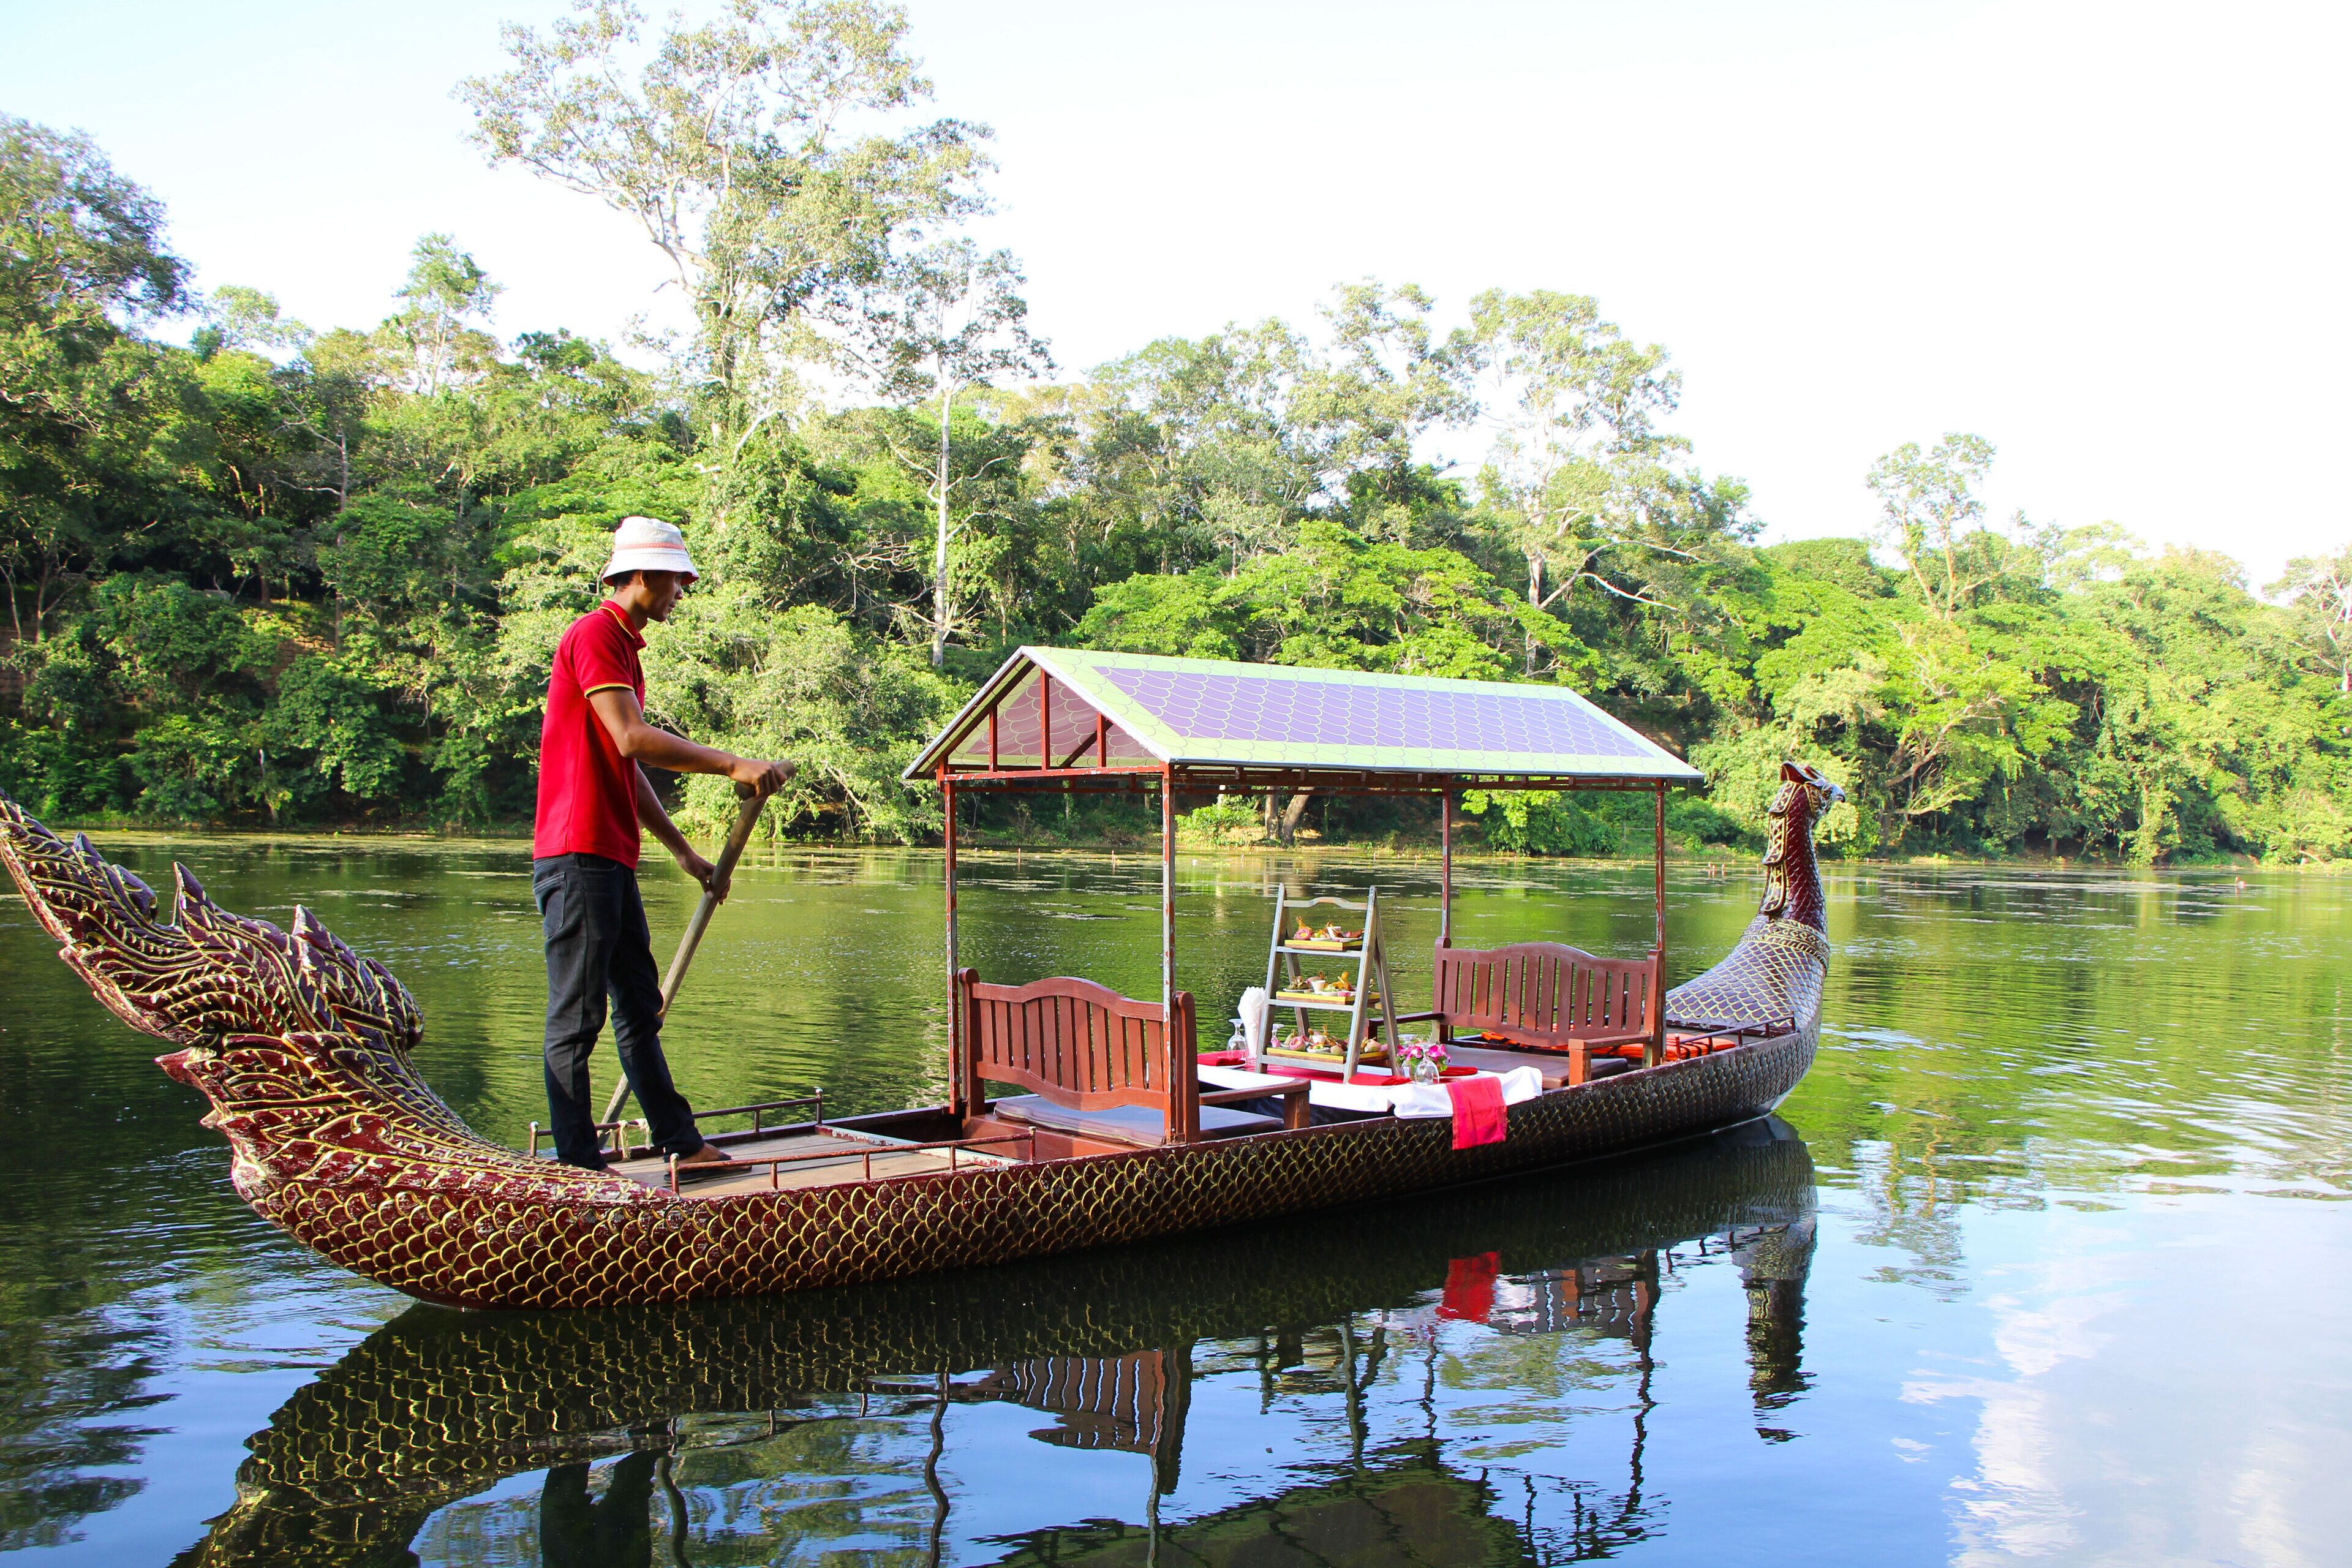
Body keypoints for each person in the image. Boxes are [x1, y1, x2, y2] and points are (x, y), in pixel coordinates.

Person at [533, 516, 793, 1170]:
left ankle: (683, 1144)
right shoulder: (595, 634)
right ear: (640, 575)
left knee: (638, 1009)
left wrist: (683, 852)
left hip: (611, 857)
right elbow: (632, 738)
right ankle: (578, 1166)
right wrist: (732, 764)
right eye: (677, 578)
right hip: (577, 854)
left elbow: (626, 769)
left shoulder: (624, 648)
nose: (681, 589)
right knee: (578, 1016)